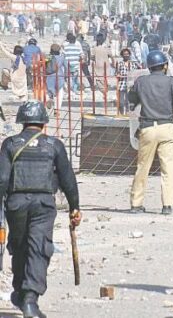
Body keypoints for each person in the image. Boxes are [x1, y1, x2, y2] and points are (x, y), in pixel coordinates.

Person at [0, 101, 81, 318]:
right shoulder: (54, 145)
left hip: (16, 204)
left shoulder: (10, 144)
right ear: (44, 123)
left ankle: (20, 292)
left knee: (19, 247)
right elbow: (68, 180)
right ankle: (29, 299)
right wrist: (74, 207)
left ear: (22, 121)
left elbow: (2, 179)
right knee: (39, 248)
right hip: (43, 205)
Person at [127, 50, 173, 215]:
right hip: (167, 128)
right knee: (169, 168)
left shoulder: (141, 81)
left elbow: (131, 100)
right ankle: (167, 205)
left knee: (142, 167)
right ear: (165, 66)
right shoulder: (172, 82)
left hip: (147, 128)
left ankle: (136, 204)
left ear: (149, 67)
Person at [45, 44, 66, 111]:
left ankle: (49, 99)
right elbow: (66, 67)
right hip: (60, 76)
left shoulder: (48, 57)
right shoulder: (62, 57)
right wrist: (66, 77)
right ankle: (57, 109)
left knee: (49, 91)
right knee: (59, 93)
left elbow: (44, 64)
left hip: (50, 76)